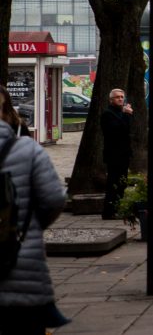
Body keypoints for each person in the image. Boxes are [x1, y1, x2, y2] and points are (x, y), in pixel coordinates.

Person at [0, 85, 69, 334]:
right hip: (18, 265)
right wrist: (28, 225)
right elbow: (53, 199)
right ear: (8, 111)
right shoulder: (26, 149)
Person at [101, 88, 133, 220]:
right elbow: (119, 131)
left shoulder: (121, 112)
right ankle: (109, 211)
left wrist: (127, 115)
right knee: (113, 183)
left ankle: (118, 208)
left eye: (122, 97)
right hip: (114, 154)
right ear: (111, 100)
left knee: (122, 183)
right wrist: (127, 115)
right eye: (117, 97)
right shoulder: (108, 114)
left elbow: (128, 129)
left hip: (123, 153)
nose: (120, 99)